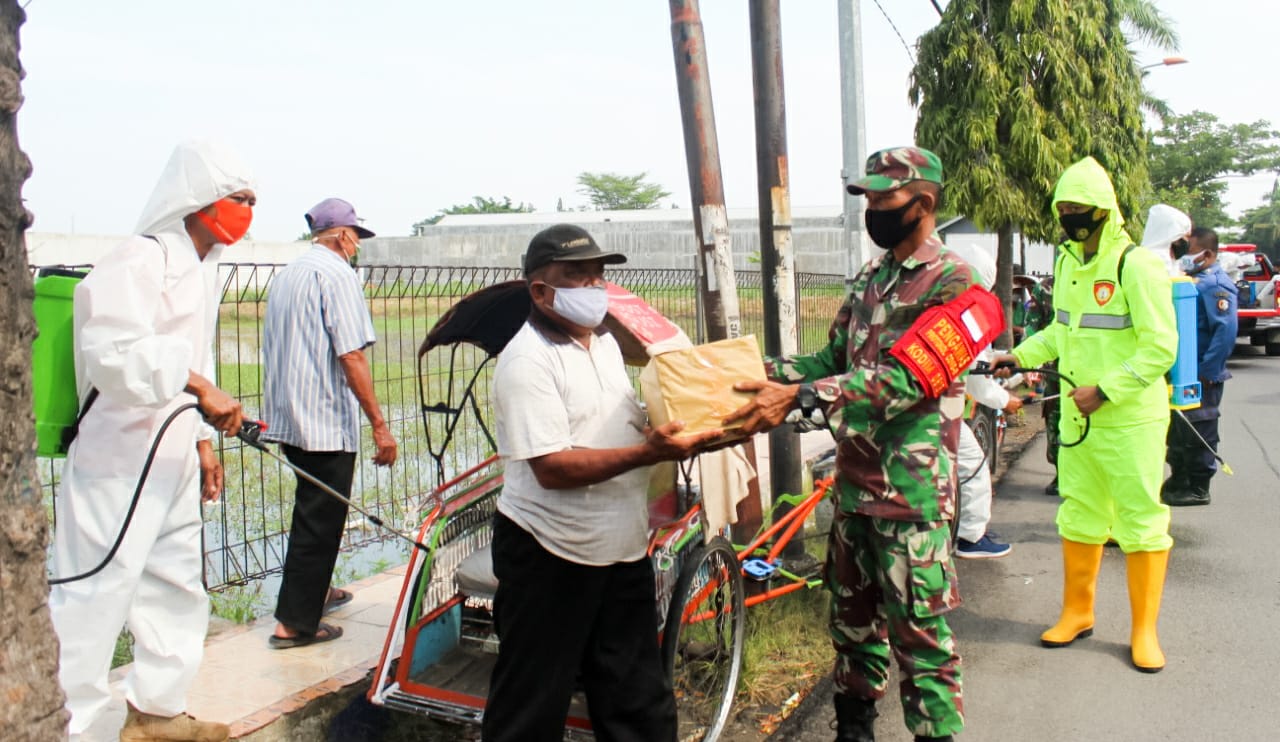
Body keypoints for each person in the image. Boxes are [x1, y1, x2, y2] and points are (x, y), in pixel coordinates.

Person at [726, 147, 971, 742]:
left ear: (924, 203)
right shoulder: (871, 277)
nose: (872, 210)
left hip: (911, 498)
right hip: (856, 486)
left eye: (884, 199)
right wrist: (756, 372)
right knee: (853, 629)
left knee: (922, 640)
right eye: (866, 199)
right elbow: (832, 361)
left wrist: (802, 398)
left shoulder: (958, 283)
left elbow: (906, 380)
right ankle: (853, 730)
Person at [481, 224, 720, 742]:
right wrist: (648, 452)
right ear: (540, 291)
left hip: (620, 550)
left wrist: (663, 428)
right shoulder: (527, 360)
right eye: (576, 277)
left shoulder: (604, 343)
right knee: (531, 703)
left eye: (598, 276)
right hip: (550, 553)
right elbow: (553, 469)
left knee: (637, 699)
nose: (593, 287)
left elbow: (633, 383)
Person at [49, 140, 252, 741]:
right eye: (236, 198)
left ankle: (157, 714)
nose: (245, 211)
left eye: (251, 201)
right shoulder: (138, 260)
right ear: (195, 198)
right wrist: (197, 386)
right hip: (119, 455)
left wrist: (203, 445)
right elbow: (112, 352)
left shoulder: (202, 267)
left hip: (171, 453)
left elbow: (197, 356)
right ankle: (67, 727)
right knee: (94, 589)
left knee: (176, 583)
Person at [995, 156, 1177, 673]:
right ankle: (1077, 612)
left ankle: (1144, 630)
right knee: (1079, 515)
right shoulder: (1068, 261)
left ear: (1105, 210)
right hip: (1079, 421)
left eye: (1081, 209)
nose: (1072, 217)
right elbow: (1062, 329)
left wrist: (1108, 389)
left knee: (1141, 523)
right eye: (1065, 209)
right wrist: (1021, 353)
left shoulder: (1136, 265)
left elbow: (1162, 347)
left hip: (1130, 420)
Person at [261, 198, 398, 649]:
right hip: (322, 418)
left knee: (312, 510)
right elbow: (351, 353)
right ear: (341, 235)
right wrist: (379, 424)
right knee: (320, 520)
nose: (357, 244)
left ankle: (316, 591)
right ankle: (295, 624)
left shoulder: (289, 274)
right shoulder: (337, 274)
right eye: (356, 236)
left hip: (287, 415)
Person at [947, 243, 1018, 559]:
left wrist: (998, 360)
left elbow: (976, 358)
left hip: (900, 403)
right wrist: (1005, 400)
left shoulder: (933, 297)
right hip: (936, 408)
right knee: (973, 467)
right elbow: (975, 376)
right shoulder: (966, 311)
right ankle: (972, 538)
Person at [1163, 226, 1237, 506]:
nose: (1183, 256)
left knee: (1200, 428)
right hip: (1183, 371)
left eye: (1188, 251)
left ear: (1206, 254)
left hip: (1202, 374)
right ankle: (1180, 477)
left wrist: (1208, 370)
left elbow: (1225, 331)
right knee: (1180, 428)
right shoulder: (1189, 281)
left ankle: (1198, 485)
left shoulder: (1216, 284)